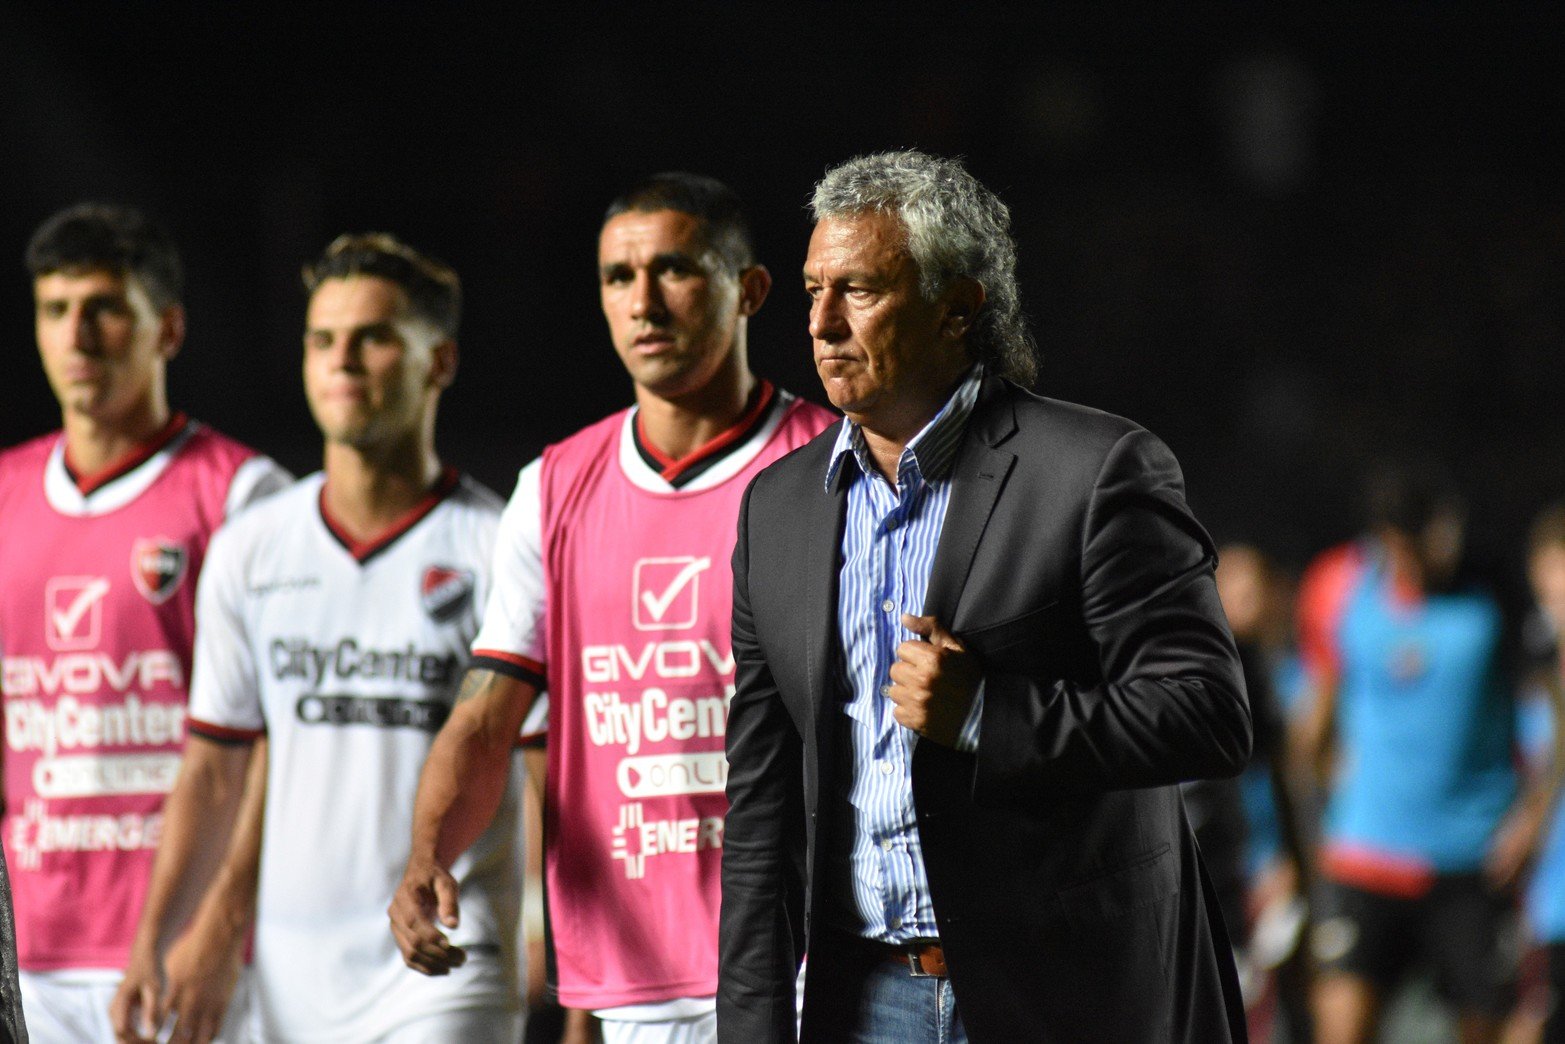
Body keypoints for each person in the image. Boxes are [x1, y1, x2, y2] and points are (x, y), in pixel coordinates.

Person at [718, 150, 1253, 1043]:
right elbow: (760, 809)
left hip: (1068, 997)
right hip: (862, 1002)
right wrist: (751, 1027)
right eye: (812, 290)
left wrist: (986, 716)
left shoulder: (1097, 471)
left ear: (957, 307)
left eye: (858, 290)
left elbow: (1207, 715)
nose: (819, 323)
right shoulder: (775, 509)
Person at [389, 172, 836, 1043]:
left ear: (749, 290)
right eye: (618, 277)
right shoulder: (553, 488)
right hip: (633, 980)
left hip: (803, 965)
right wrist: (426, 856)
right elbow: (485, 718)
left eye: (675, 270)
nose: (644, 302)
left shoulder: (829, 464)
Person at [110, 233, 523, 1042]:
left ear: (439, 361)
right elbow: (212, 773)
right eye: (323, 339)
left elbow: (544, 770)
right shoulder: (255, 548)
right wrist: (155, 941)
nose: (343, 360)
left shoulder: (495, 544)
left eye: (374, 337)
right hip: (290, 977)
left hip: (447, 962)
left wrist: (573, 971)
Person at [0, 203, 288, 1043]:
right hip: (32, 953)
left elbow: (278, 739)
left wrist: (222, 923)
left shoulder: (243, 494)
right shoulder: (5, 494)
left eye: (105, 308)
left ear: (168, 328)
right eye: (56, 310)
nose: (78, 336)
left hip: (180, 950)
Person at [1295, 461, 1550, 1044]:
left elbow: (1550, 713)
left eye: (1440, 538)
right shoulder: (1341, 585)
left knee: (1489, 1028)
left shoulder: (1496, 592)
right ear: (1385, 541)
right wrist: (1320, 825)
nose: (1431, 556)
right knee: (1340, 1024)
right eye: (1413, 545)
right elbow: (1315, 723)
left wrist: (1532, 818)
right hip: (1365, 858)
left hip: (1469, 858)